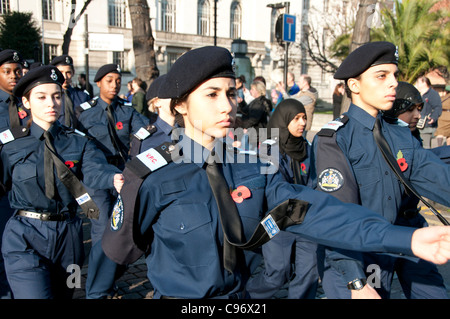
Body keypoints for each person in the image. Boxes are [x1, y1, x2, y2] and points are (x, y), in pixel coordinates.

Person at [100, 45, 450, 299]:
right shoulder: (151, 174)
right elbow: (122, 247)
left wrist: (407, 239)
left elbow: (313, 210)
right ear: (180, 106)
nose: (227, 105)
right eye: (211, 95)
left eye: (231, 93)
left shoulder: (252, 163)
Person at [311, 41, 450, 299]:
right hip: (355, 253)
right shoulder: (335, 139)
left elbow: (433, 174)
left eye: (394, 75)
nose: (393, 83)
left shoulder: (397, 132)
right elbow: (336, 217)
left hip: (401, 236)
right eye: (381, 76)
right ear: (354, 85)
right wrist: (355, 281)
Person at [0, 65, 123, 299]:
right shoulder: (10, 145)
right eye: (42, 97)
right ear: (26, 102)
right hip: (25, 236)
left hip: (71, 239)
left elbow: (95, 170)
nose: (51, 103)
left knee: (69, 292)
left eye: (57, 96)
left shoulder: (79, 142)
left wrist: (113, 177)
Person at [76, 63, 150, 299]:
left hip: (121, 176)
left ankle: (110, 278)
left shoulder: (127, 110)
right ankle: (98, 288)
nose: (114, 84)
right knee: (99, 230)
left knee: (120, 228)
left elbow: (144, 133)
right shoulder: (83, 112)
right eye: (109, 80)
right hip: (94, 180)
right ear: (98, 83)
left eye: (118, 80)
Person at [246, 98, 319, 299]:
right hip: (277, 221)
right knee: (277, 273)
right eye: (296, 118)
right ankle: (247, 298)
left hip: (307, 220)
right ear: (283, 119)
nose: (302, 123)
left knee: (309, 272)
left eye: (304, 117)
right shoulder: (268, 149)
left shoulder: (308, 148)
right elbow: (275, 188)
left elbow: (315, 181)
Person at [0, 49, 28, 299]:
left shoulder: (28, 104)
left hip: (25, 188)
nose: (13, 76)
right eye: (7, 71)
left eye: (17, 71)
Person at [129, 74, 176, 158]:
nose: (177, 99)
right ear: (157, 102)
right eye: (171, 95)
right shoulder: (146, 139)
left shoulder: (190, 132)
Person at [50, 55, 90, 129]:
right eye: (61, 72)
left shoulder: (83, 97)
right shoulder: (49, 97)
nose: (65, 77)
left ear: (73, 73)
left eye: (68, 72)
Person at [415, 76, 442, 148]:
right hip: (417, 124)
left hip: (426, 125)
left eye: (418, 82)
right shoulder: (418, 94)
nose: (416, 84)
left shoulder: (433, 94)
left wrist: (433, 117)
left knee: (426, 147)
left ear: (424, 83)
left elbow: (438, 107)